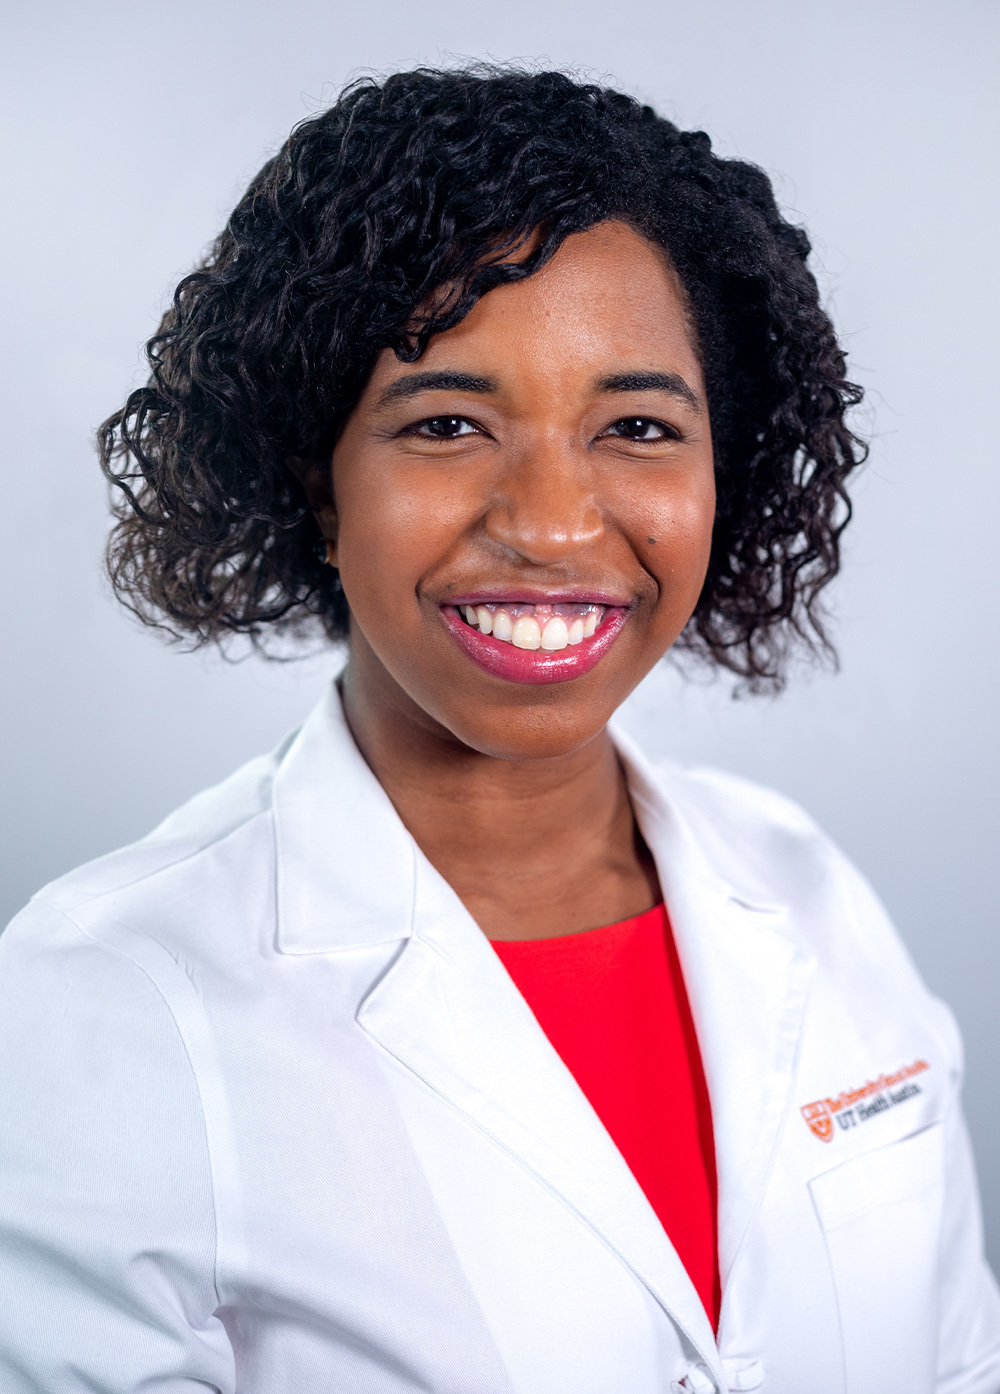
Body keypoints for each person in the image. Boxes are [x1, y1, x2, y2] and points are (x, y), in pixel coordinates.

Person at [0, 65, 997, 1394]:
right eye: (449, 422)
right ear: (317, 471)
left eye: (637, 425)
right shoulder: (99, 1005)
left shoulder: (812, 893)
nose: (554, 524)